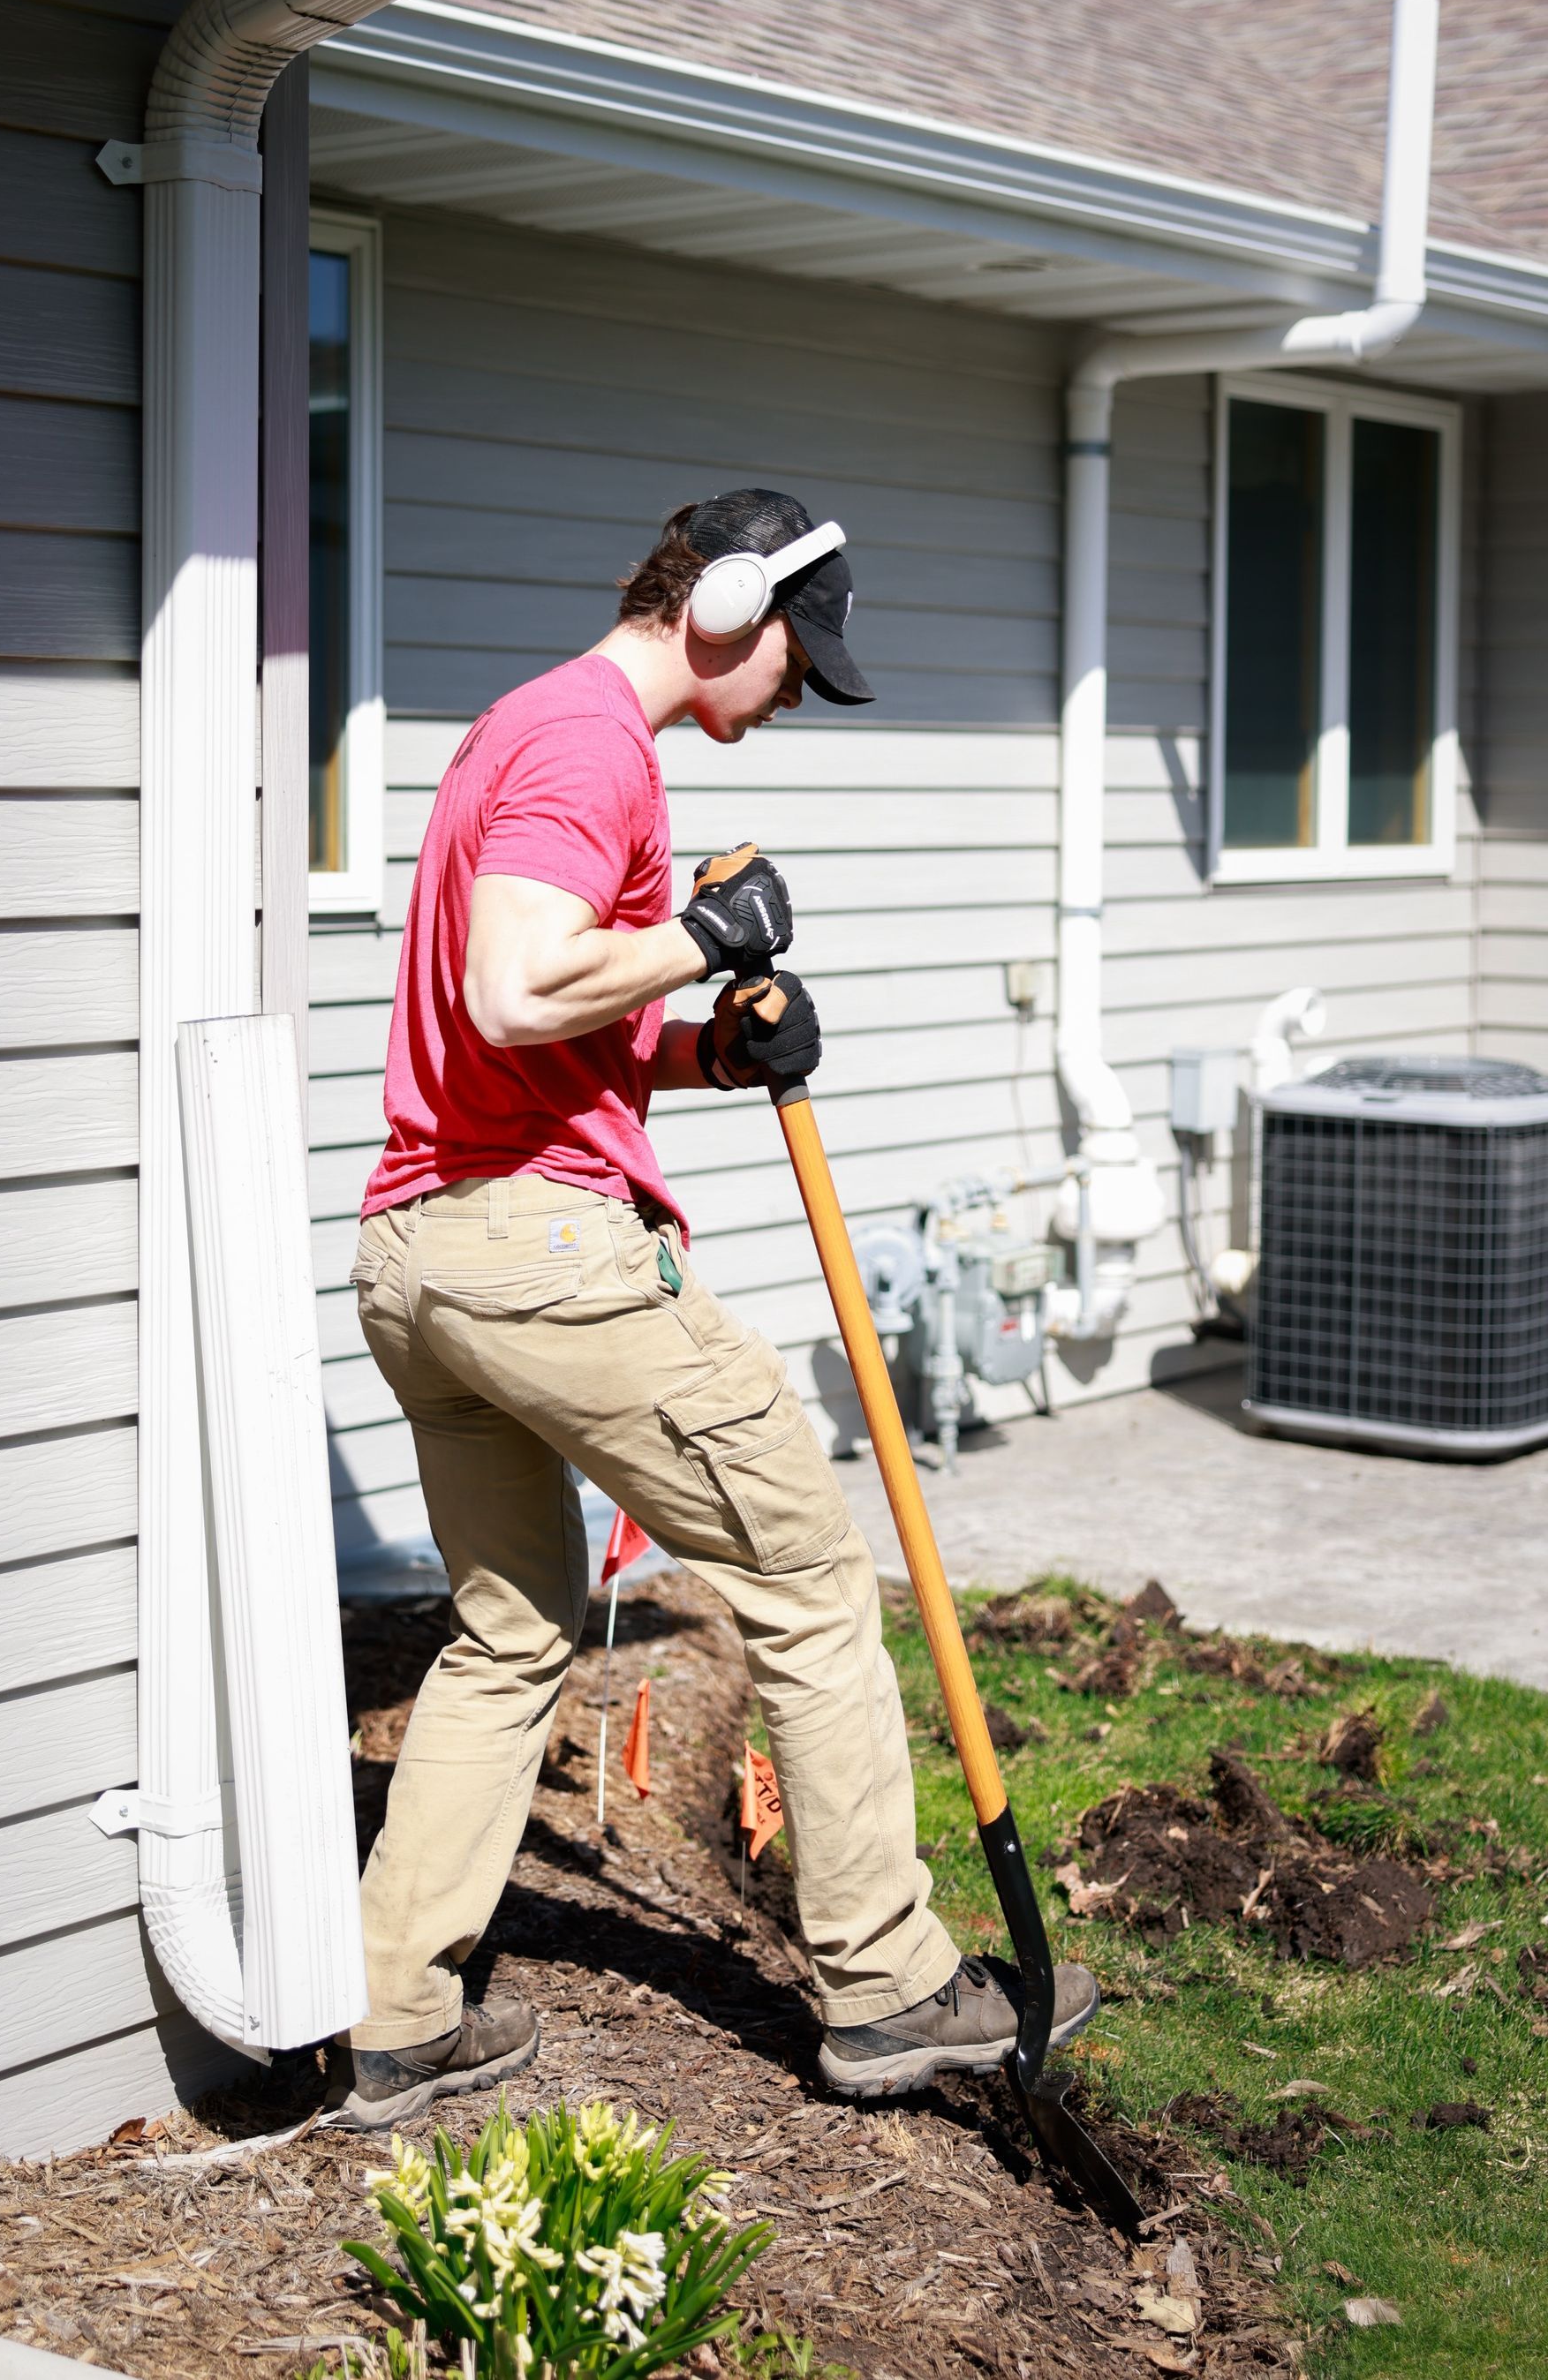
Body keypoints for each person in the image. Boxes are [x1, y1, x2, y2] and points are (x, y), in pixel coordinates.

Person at [336, 490, 1098, 2127]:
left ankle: (396, 2011)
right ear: (726, 608)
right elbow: (510, 983)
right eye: (793, 667)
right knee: (812, 1580)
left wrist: (704, 1046)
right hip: (539, 1255)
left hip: (424, 1251)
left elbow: (543, 1037)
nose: (793, 700)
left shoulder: (521, 732)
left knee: (515, 1624)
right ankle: (889, 1986)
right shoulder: (593, 746)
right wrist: (693, 935)